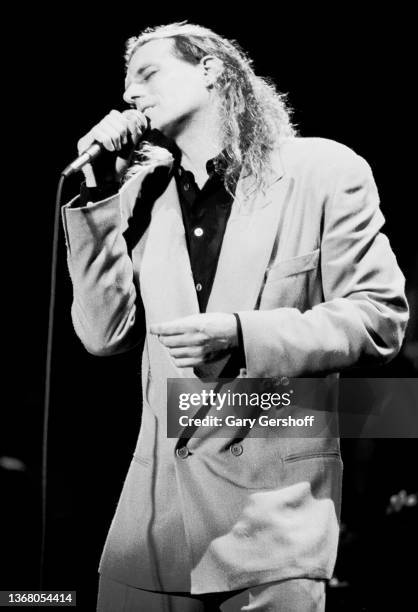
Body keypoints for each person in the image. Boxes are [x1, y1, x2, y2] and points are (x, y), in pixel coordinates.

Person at [61, 22, 409, 612]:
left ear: (211, 69)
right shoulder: (143, 196)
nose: (132, 97)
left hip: (270, 524)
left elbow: (380, 318)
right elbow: (103, 335)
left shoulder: (322, 171)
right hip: (150, 527)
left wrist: (244, 337)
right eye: (126, 88)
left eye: (148, 74)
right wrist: (94, 201)